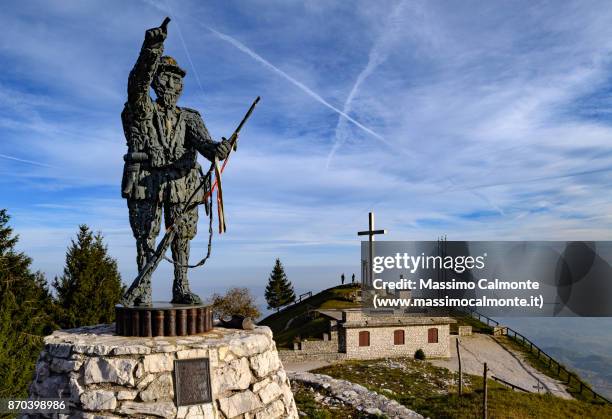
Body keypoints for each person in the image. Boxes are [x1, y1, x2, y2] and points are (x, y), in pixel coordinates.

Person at [121, 18, 231, 306]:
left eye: (177, 78)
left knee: (183, 238)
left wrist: (219, 148)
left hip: (183, 186)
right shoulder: (143, 108)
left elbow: (205, 146)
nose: (172, 83)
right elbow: (136, 83)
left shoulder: (190, 117)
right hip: (148, 183)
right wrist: (152, 48)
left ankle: (181, 286)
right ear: (155, 80)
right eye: (166, 77)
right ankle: (143, 289)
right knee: (146, 237)